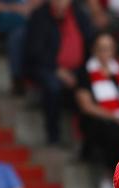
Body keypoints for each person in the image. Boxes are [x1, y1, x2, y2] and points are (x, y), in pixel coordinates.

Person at [24, 0, 95, 145]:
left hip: (78, 68)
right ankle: (53, 135)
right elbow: (35, 51)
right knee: (53, 87)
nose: (61, 3)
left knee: (93, 85)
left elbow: (90, 41)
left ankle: (88, 142)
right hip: (48, 67)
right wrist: (57, 69)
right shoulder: (40, 16)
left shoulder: (79, 13)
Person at [75, 33, 119, 173]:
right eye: (101, 48)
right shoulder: (85, 71)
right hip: (98, 120)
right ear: (94, 50)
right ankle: (112, 175)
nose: (105, 52)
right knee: (113, 131)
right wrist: (116, 117)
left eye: (109, 48)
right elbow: (86, 106)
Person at [0, 0, 42, 94]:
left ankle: (36, 79)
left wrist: (30, 7)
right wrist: (14, 8)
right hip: (6, 22)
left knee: (39, 34)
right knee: (17, 37)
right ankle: (18, 80)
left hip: (31, 21)